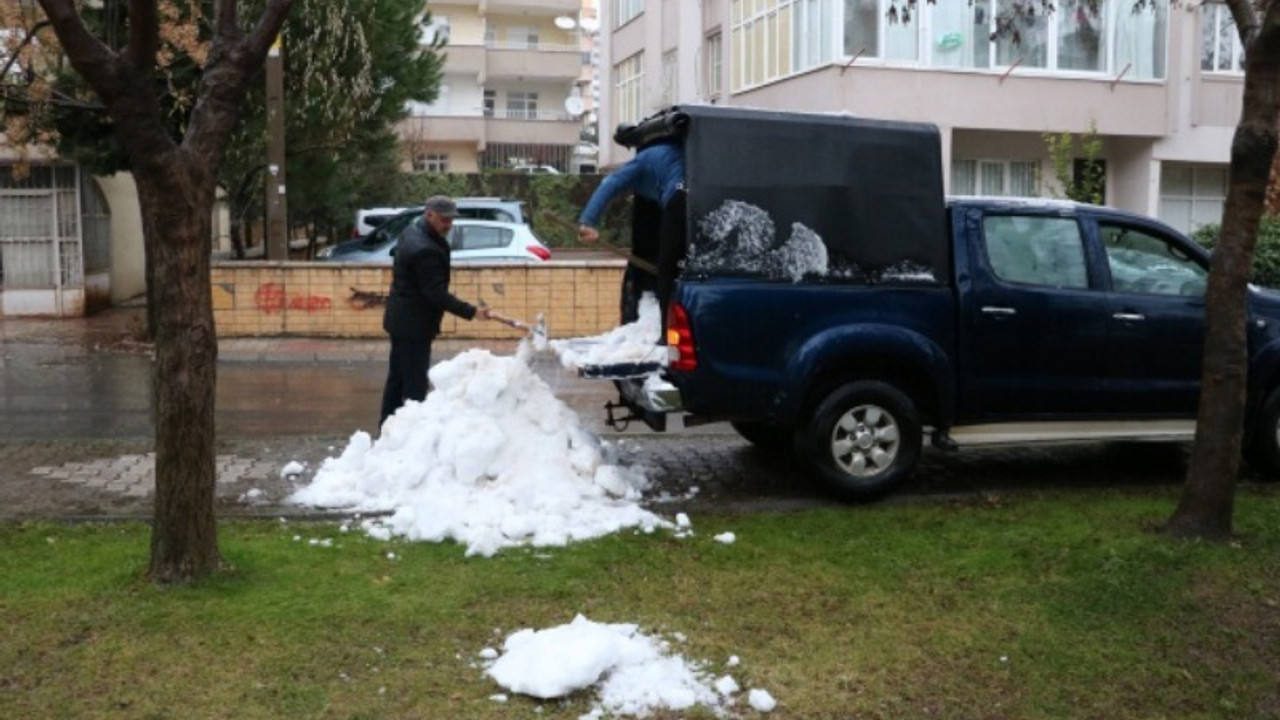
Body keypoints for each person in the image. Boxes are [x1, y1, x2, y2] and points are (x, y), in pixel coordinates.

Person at [379, 195, 492, 427]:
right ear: (428, 214)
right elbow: (435, 294)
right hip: (413, 324)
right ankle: (413, 437)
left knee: (398, 379)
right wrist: (471, 312)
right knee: (415, 385)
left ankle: (387, 430)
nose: (449, 225)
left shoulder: (413, 231)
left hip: (400, 319)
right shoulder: (424, 249)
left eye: (451, 220)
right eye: (444, 220)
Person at [577, 139, 686, 332]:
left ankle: (665, 335)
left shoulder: (639, 164)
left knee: (666, 270)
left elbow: (609, 183)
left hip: (678, 198)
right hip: (697, 197)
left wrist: (588, 222)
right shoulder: (672, 155)